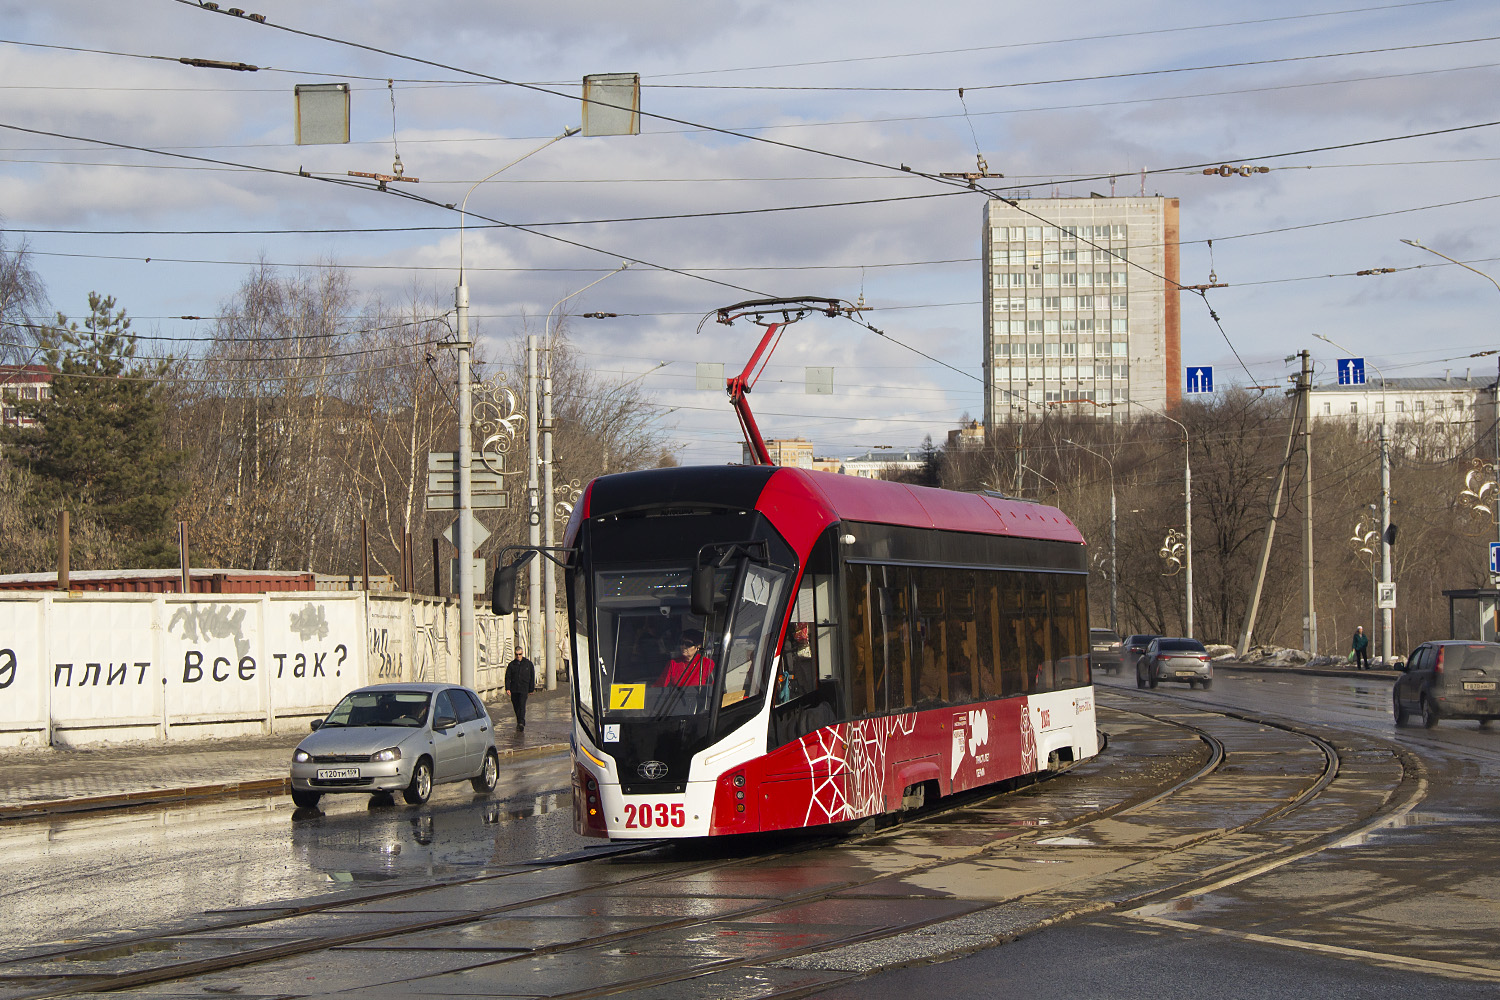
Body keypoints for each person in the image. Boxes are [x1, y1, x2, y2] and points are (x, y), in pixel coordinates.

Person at [505, 647, 536, 730]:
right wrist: (508, 688)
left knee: (522, 705)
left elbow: (532, 676)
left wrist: (531, 689)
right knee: (516, 705)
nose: (518, 656)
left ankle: (521, 722)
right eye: (516, 654)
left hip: (524, 688)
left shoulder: (528, 664)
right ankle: (519, 720)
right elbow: (508, 677)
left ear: (522, 654)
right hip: (514, 688)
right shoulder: (511, 665)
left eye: (520, 654)